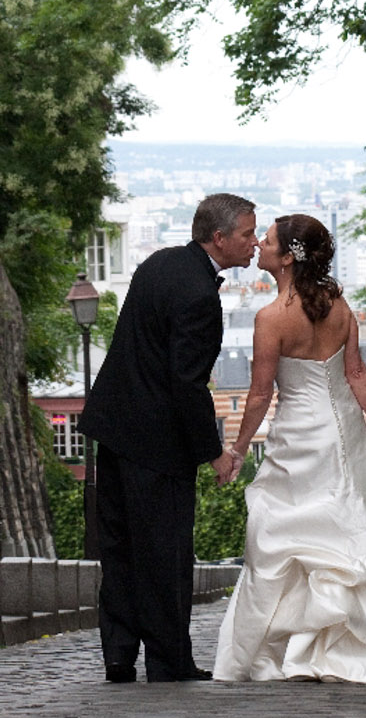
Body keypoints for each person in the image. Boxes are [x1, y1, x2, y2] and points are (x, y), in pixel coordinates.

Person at [212, 213, 366, 684]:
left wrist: (234, 449)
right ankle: (358, 644)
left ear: (287, 257)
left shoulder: (271, 318)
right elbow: (357, 374)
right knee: (351, 526)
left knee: (285, 535)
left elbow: (259, 394)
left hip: (298, 437)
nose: (260, 247)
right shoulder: (339, 306)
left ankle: (295, 649)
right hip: (346, 432)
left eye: (267, 241)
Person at [79, 193, 258, 683]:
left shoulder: (158, 263)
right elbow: (186, 381)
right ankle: (167, 658)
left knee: (118, 549)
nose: (255, 243)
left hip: (113, 427)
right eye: (247, 234)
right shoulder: (200, 294)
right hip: (157, 443)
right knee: (164, 552)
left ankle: (118, 655)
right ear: (218, 238)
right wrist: (213, 452)